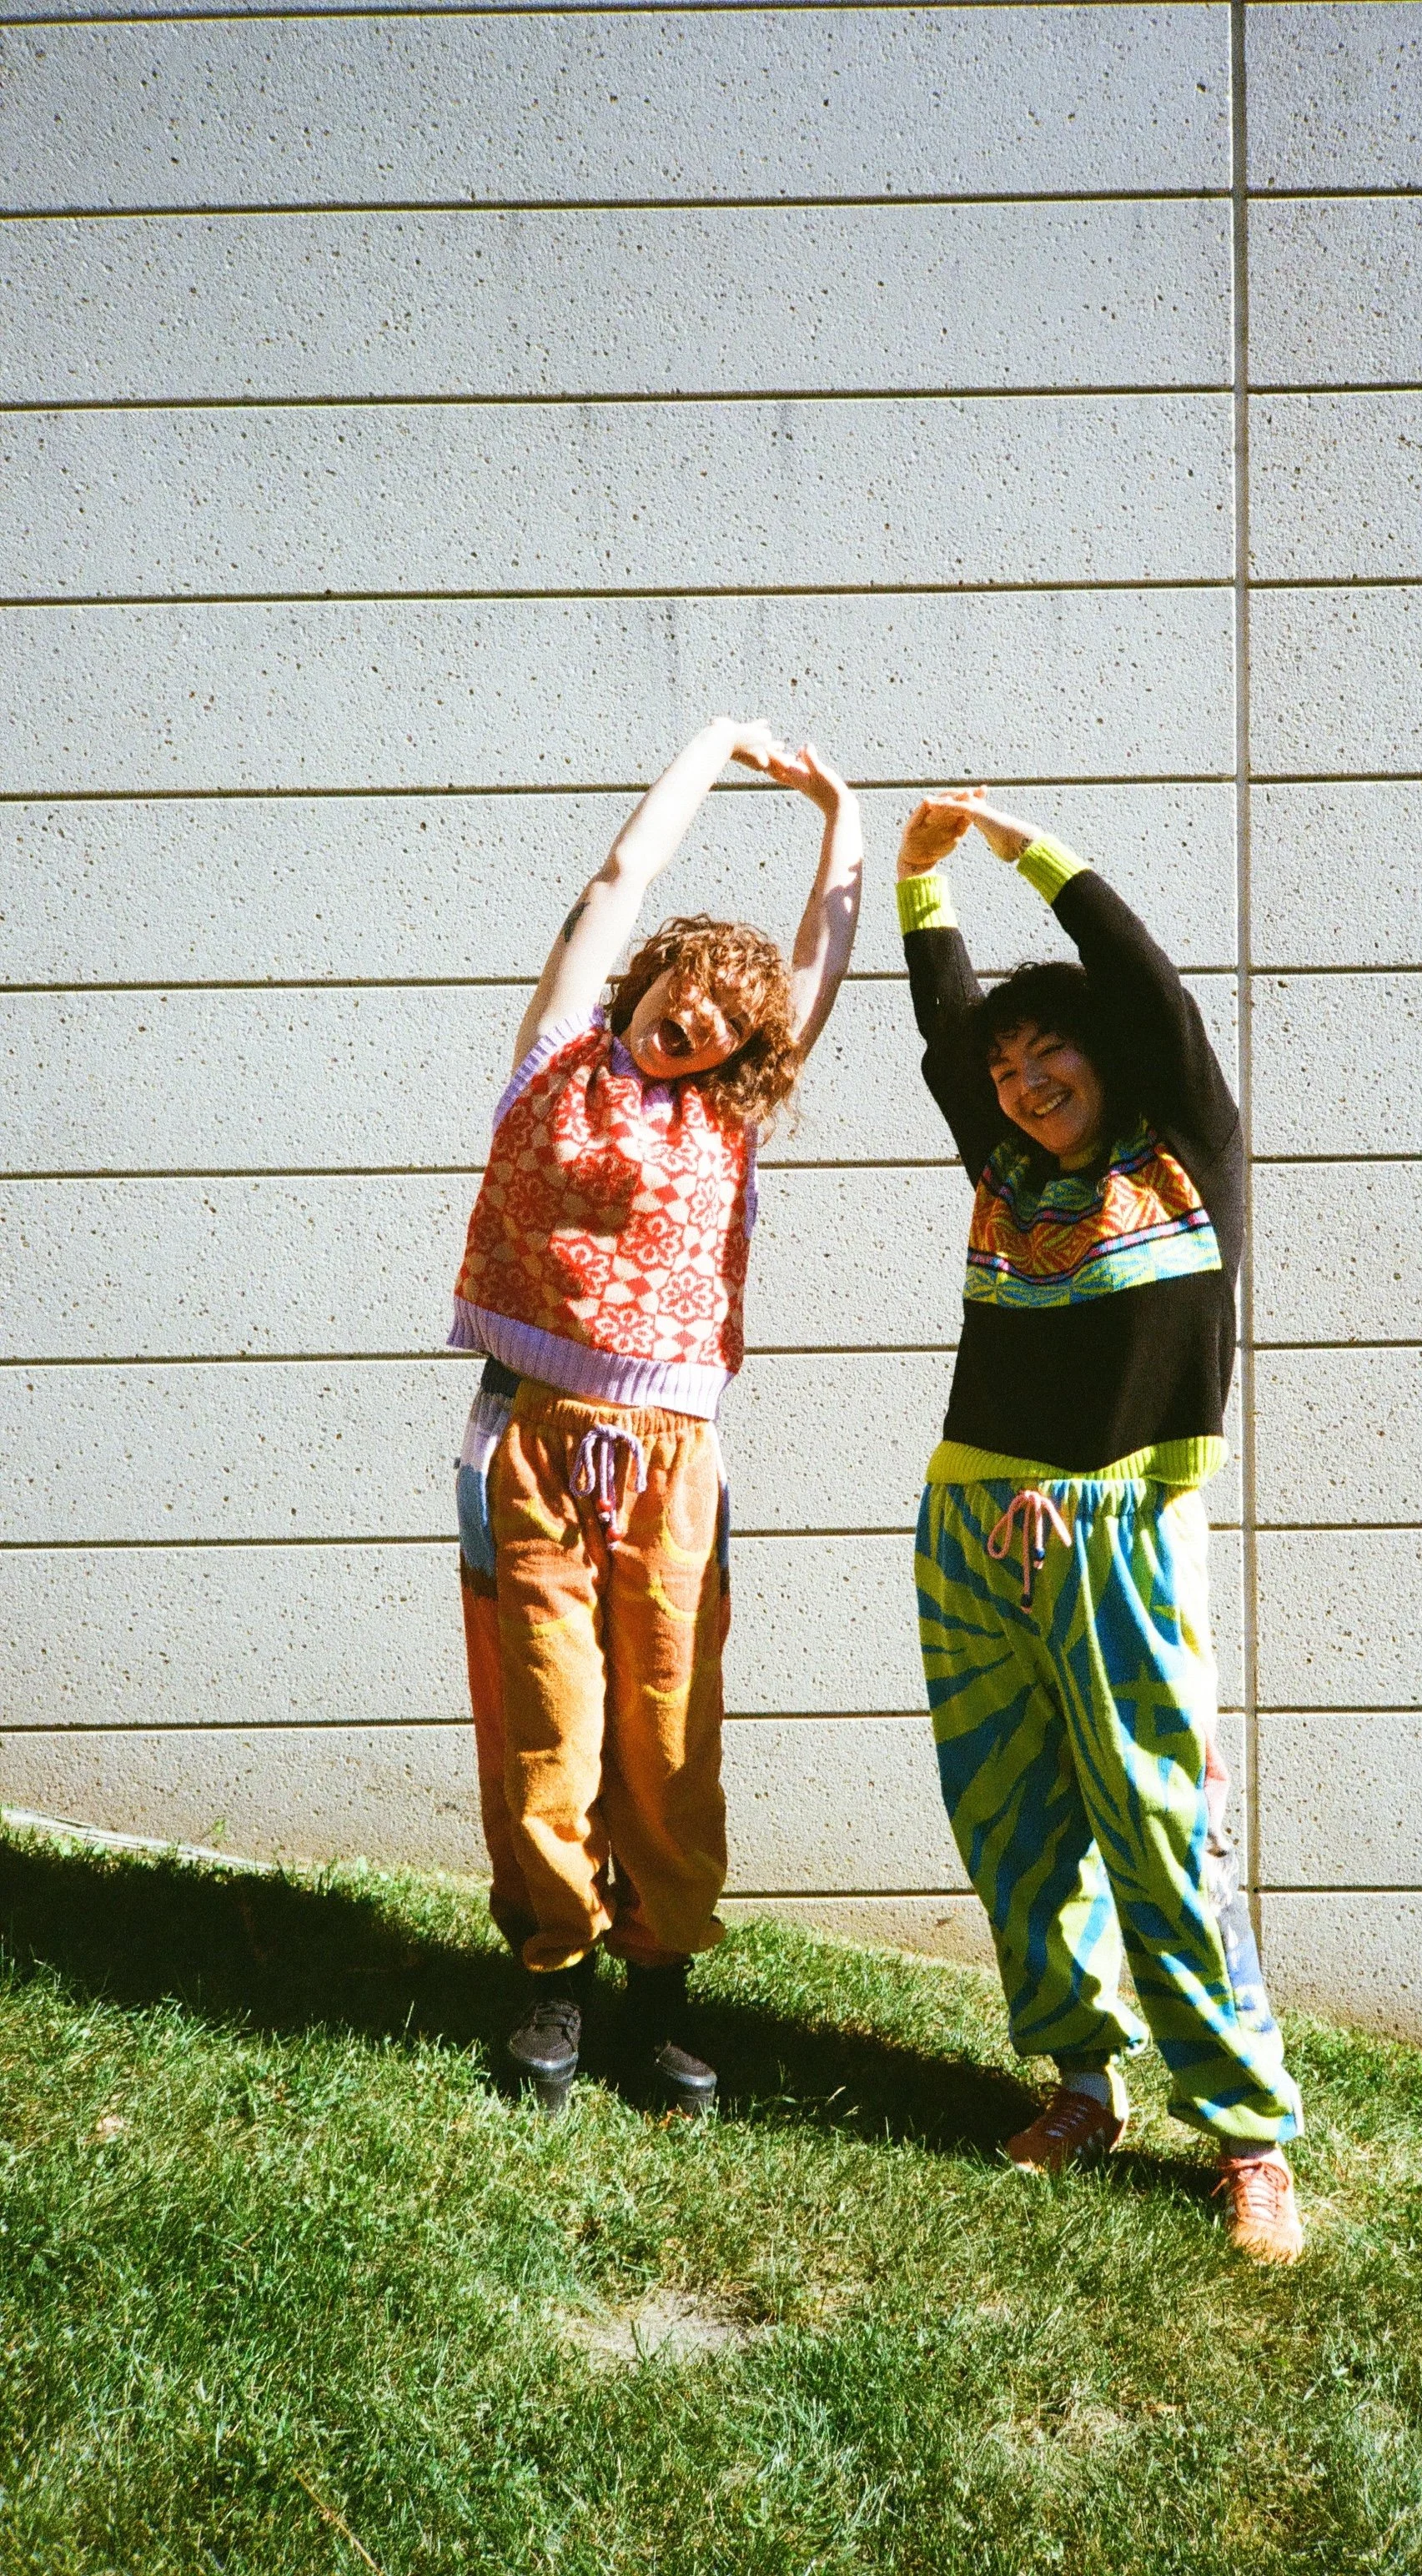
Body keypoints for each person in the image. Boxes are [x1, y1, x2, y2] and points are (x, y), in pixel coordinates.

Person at [896, 788, 1305, 2261]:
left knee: (1157, 1820)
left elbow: (1151, 990)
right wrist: (918, 894)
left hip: (1123, 1534)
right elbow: (947, 1041)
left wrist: (1026, 856)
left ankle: (1249, 2135)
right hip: (972, 1524)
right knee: (1013, 1820)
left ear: (1106, 1058)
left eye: (1047, 1048)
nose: (1019, 1079)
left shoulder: (1189, 1153)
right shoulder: (1004, 1175)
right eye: (1008, 1066)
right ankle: (1080, 2082)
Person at [451, 717, 862, 2116]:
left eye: (733, 1027)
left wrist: (841, 816)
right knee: (548, 1719)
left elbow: (819, 968)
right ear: (660, 972)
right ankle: (552, 1976)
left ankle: (662, 1985)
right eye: (694, 991)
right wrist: (711, 750)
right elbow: (618, 875)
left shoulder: (725, 1126)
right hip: (533, 1433)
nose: (703, 1023)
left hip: (675, 1455)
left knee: (672, 1726)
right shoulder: (556, 1052)